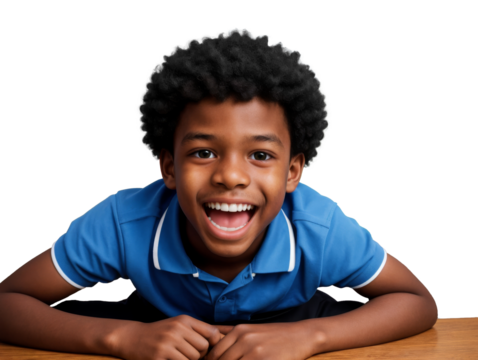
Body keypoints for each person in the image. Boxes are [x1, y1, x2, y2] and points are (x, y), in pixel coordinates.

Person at [0, 27, 438, 360]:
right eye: (204, 152)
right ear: (169, 167)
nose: (230, 176)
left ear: (292, 172)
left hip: (296, 324)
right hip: (155, 329)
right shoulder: (123, 221)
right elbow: (6, 303)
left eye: (260, 155)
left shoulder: (317, 228)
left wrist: (310, 336)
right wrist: (120, 337)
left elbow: (418, 302)